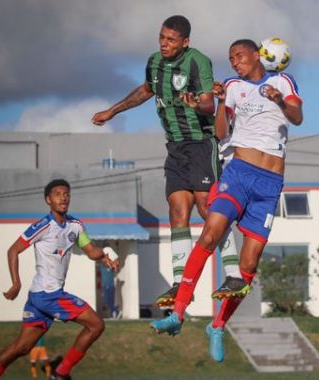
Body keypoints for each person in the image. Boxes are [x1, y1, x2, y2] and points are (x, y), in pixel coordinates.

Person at [151, 38, 303, 363]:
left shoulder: (281, 81)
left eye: (239, 56)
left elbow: (298, 117)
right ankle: (178, 313)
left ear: (257, 54)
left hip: (270, 183)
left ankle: (217, 326)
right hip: (238, 174)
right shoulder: (233, 87)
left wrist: (280, 101)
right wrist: (221, 103)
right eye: (231, 58)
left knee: (249, 265)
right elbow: (221, 133)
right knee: (210, 233)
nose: (234, 62)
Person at [91, 15, 242, 309]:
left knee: (207, 206)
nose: (164, 43)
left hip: (201, 143)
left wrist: (195, 103)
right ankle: (179, 282)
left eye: (171, 39)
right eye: (161, 37)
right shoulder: (154, 62)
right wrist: (113, 111)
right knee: (177, 210)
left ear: (185, 42)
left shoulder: (198, 61)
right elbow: (146, 90)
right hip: (174, 147)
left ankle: (234, 273)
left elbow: (210, 103)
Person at [0, 179, 119, 380]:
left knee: (22, 347)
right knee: (96, 325)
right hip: (48, 294)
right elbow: (13, 250)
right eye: (57, 194)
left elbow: (90, 251)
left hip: (39, 296)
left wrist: (105, 253)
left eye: (66, 194)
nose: (63, 198)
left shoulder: (75, 226)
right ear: (48, 200)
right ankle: (60, 373)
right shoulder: (43, 226)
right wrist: (16, 282)